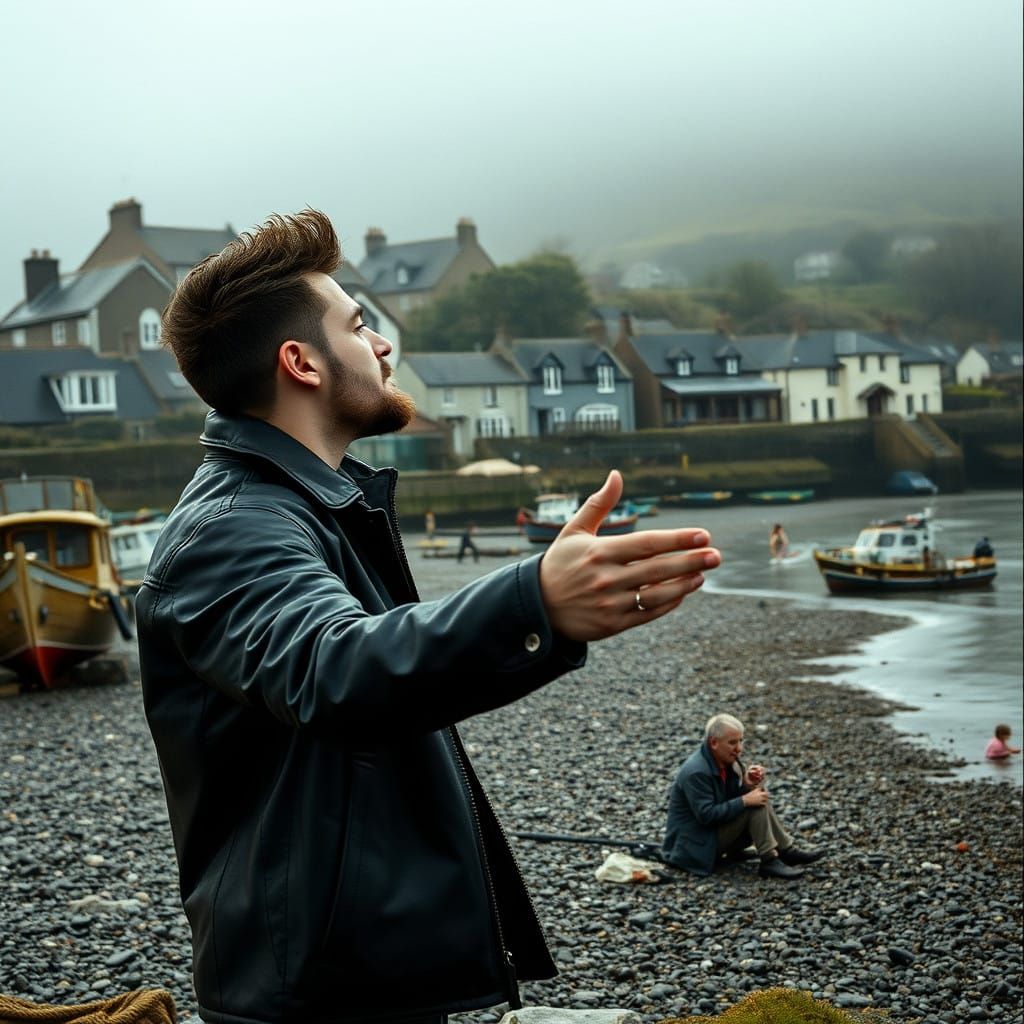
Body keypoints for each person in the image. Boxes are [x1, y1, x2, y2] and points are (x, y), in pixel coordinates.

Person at [135, 210, 722, 1024]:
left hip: (352, 972)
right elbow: (333, 668)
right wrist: (535, 602)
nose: (381, 345)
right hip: (311, 996)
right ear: (299, 362)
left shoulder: (305, 505)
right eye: (359, 324)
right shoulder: (233, 527)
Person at [662, 713, 823, 881]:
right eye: (732, 742)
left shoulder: (726, 761)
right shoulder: (696, 772)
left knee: (758, 797)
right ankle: (769, 860)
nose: (739, 748)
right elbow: (707, 816)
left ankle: (786, 851)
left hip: (708, 837)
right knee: (754, 805)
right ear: (714, 743)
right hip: (693, 849)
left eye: (741, 741)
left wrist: (746, 785)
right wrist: (745, 800)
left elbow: (726, 800)